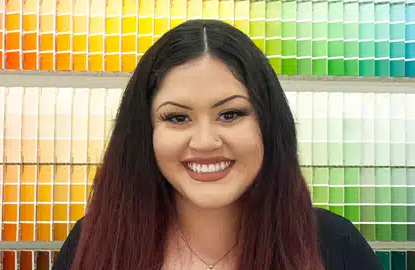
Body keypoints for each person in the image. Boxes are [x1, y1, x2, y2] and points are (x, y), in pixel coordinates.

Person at [52, 19, 383, 270]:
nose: (205, 141)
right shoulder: (93, 243)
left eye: (230, 114)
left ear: (268, 124)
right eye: (178, 118)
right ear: (143, 132)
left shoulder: (336, 245)